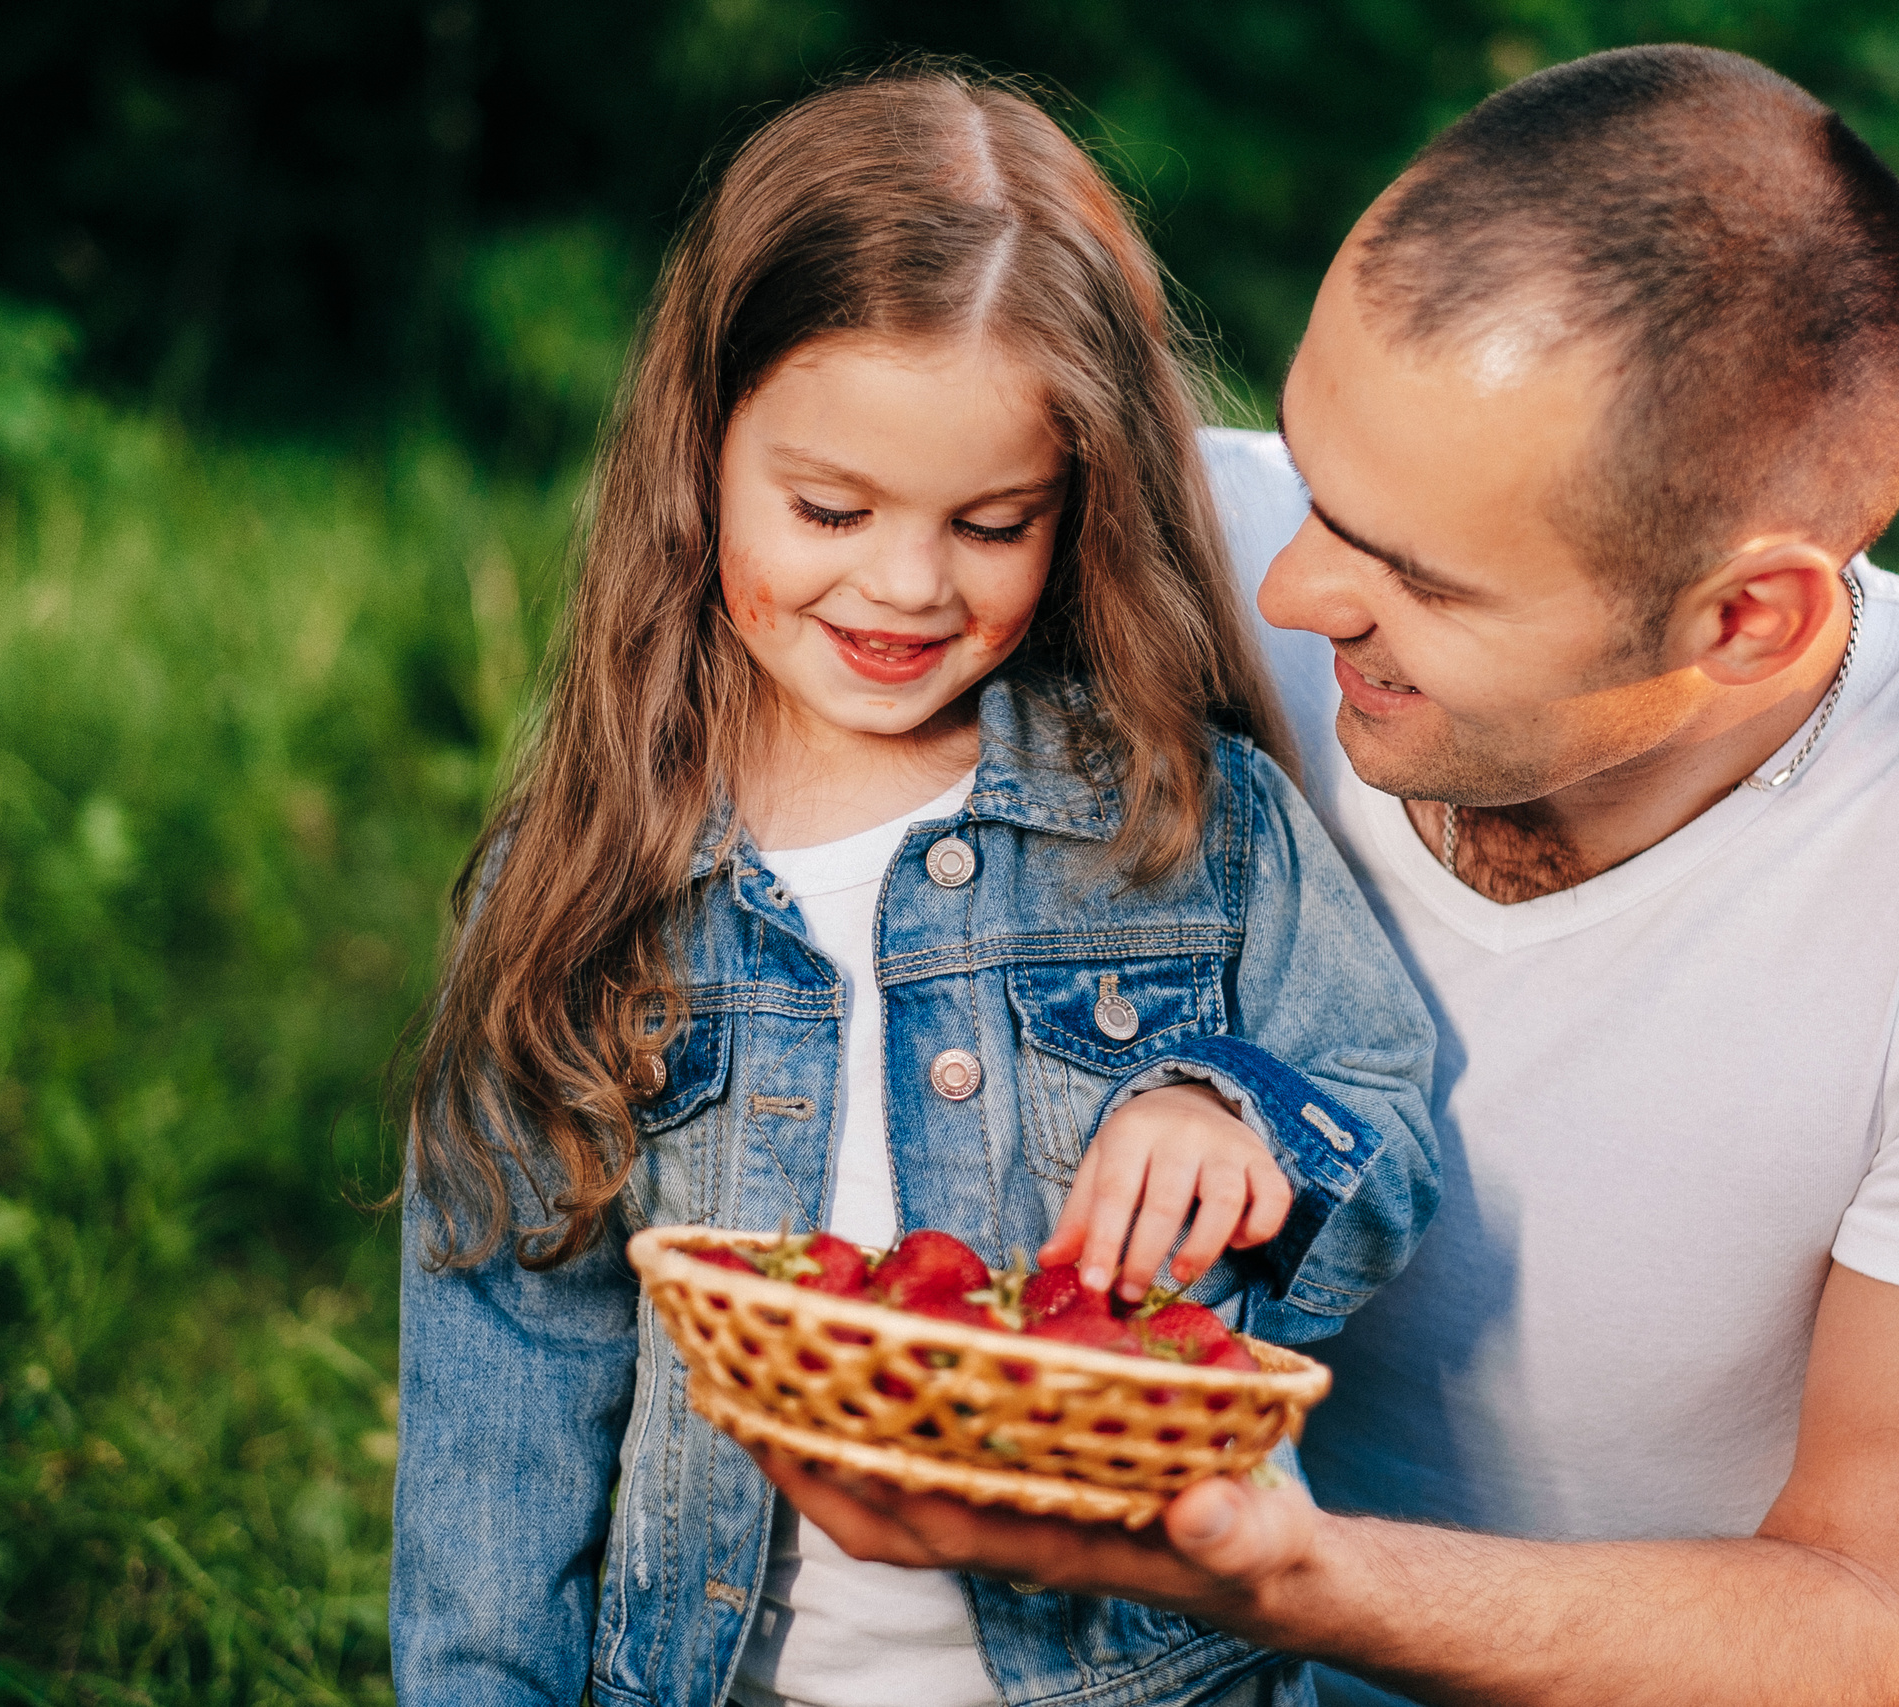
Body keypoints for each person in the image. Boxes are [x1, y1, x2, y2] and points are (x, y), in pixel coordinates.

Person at [751, 43, 1899, 1707]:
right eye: (1313, 485)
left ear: (1745, 622)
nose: (1293, 590)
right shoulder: (1156, 553)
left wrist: (1283, 1571)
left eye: (1416, 578)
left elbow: (1874, 1624)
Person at [386, 67, 1445, 1707]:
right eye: (828, 509)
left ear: (1078, 506)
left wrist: (1234, 1112)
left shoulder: (1184, 819)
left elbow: (1380, 1107)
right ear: (700, 452)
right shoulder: (583, 889)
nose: (903, 583)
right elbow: (501, 1408)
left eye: (993, 523)